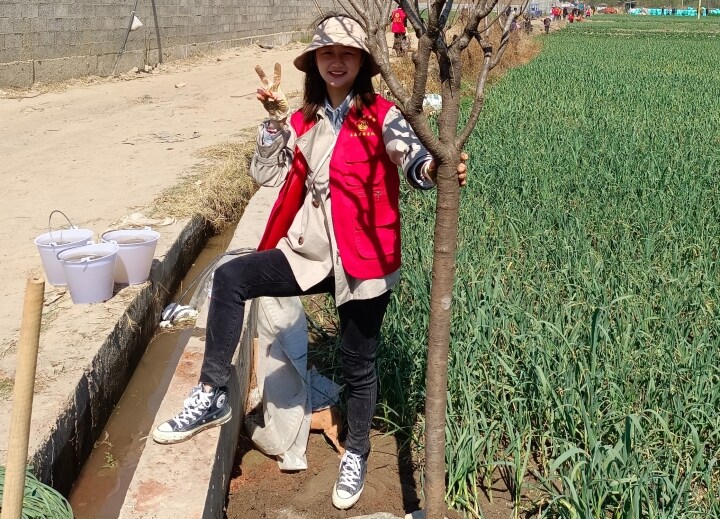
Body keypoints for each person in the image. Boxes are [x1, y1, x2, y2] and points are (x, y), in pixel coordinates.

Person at [152, 12, 467, 511]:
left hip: (364, 260)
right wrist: (273, 124)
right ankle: (212, 393)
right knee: (232, 277)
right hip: (310, 253)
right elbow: (264, 174)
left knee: (358, 363)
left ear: (362, 62)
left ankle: (356, 451)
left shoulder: (382, 115)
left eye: (346, 54)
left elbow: (410, 158)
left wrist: (434, 167)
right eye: (327, 53)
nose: (336, 62)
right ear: (315, 62)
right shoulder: (302, 119)